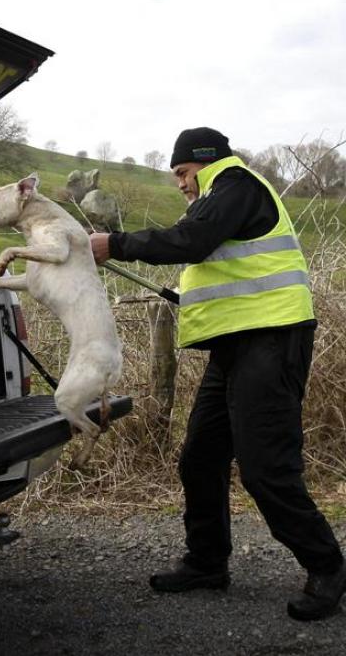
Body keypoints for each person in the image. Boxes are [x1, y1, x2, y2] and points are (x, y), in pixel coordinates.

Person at [90, 127, 345, 621]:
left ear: (204, 161)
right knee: (200, 459)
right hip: (235, 347)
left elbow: (193, 240)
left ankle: (329, 566)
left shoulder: (236, 185)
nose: (181, 184)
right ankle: (207, 562)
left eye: (183, 173)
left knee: (265, 469)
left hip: (270, 342)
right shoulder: (220, 196)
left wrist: (115, 244)